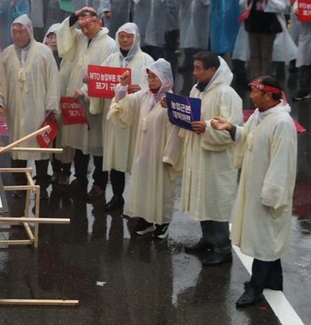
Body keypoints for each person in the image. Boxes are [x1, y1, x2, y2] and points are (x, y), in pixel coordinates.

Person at [211, 76, 297, 308]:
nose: (251, 95)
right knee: (268, 238)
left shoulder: (282, 123)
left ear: (268, 95)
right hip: (255, 187)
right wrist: (230, 127)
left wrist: (271, 195)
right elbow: (247, 136)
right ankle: (274, 281)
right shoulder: (261, 115)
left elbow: (282, 163)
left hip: (268, 193)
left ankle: (256, 287)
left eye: (255, 92)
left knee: (265, 238)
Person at [180, 52, 243, 267]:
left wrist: (205, 127)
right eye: (194, 67)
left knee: (216, 200)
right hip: (200, 153)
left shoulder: (227, 94)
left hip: (217, 159)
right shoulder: (197, 89)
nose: (195, 72)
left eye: (199, 68)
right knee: (203, 197)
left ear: (212, 70)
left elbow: (231, 127)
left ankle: (223, 248)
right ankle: (208, 239)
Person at [108, 59, 182, 240]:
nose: (150, 80)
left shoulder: (172, 101)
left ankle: (162, 223)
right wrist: (122, 86)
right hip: (143, 152)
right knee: (144, 186)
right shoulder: (144, 96)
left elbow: (178, 130)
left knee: (162, 188)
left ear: (164, 78)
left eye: (154, 77)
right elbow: (123, 104)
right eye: (148, 77)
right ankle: (147, 220)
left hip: (161, 153)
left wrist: (170, 155)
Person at [0, 15, 61, 196]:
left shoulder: (44, 53)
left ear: (29, 31)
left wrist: (51, 108)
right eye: (14, 31)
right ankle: (20, 186)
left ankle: (42, 186)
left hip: (40, 111)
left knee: (41, 150)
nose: (17, 35)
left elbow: (53, 80)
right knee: (18, 148)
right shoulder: (6, 54)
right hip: (16, 112)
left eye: (21, 31)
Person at [53, 7, 118, 194]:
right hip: (77, 97)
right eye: (83, 26)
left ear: (99, 23)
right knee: (79, 142)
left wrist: (85, 90)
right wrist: (75, 15)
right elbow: (64, 39)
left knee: (97, 144)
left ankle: (99, 183)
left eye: (89, 25)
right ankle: (80, 178)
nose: (86, 30)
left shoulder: (109, 45)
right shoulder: (81, 38)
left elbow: (107, 75)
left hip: (96, 100)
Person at [94, 23, 154, 207]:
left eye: (128, 36)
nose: (125, 40)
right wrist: (91, 82)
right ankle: (117, 196)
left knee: (136, 158)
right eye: (121, 37)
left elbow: (158, 85)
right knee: (116, 157)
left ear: (136, 38)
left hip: (136, 117)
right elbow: (100, 82)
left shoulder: (147, 60)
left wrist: (143, 88)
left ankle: (137, 200)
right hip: (115, 117)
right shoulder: (111, 59)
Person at [240, 0, 287, 79]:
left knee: (266, 55)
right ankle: (255, 78)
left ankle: (265, 79)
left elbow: (282, 6)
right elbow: (241, 2)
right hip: (253, 25)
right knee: (254, 55)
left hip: (268, 27)